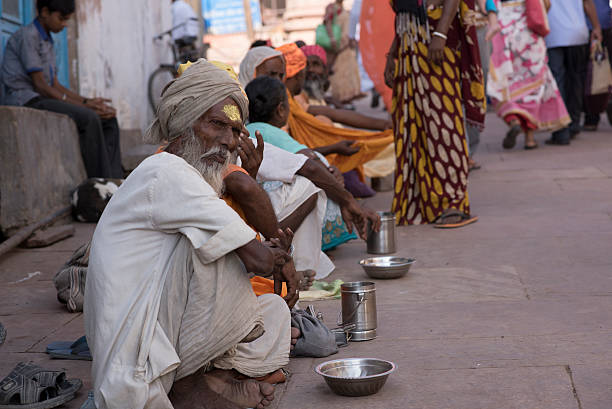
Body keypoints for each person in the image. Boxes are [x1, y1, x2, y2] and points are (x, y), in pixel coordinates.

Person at [84, 59, 300, 409]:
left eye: (235, 130)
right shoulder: (166, 172)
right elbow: (258, 259)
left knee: (273, 309)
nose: (228, 142)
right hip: (135, 358)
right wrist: (279, 258)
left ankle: (215, 377)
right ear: (184, 122)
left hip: (165, 335)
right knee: (219, 249)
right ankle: (191, 389)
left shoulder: (183, 175)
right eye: (217, 125)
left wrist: (271, 255)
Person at [245, 75, 381, 251]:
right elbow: (308, 161)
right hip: (270, 214)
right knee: (313, 182)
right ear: (281, 109)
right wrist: (347, 199)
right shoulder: (268, 131)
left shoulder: (250, 129)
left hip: (260, 211)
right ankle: (303, 242)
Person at [384, 0, 486, 227]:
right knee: (412, 125)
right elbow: (405, 11)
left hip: (437, 38)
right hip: (408, 43)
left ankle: (454, 202)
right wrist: (391, 55)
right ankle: (422, 202)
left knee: (443, 124)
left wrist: (440, 33)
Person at [0, 0, 122, 179]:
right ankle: (101, 181)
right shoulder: (28, 36)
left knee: (109, 119)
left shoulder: (48, 41)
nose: (64, 25)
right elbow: (41, 86)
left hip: (41, 97)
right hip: (26, 98)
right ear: (44, 12)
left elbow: (55, 84)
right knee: (89, 118)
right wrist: (86, 108)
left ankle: (115, 178)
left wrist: (88, 102)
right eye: (62, 19)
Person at [277, 43, 394, 186]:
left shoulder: (293, 101)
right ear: (298, 74)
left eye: (316, 64)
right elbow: (289, 154)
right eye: (307, 67)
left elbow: (335, 113)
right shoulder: (285, 104)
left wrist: (384, 125)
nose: (311, 71)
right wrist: (333, 148)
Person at [487, 0, 571, 150]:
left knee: (506, 82)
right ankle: (530, 138)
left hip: (503, 31)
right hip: (527, 31)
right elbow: (546, 5)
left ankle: (514, 120)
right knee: (533, 86)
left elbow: (486, 6)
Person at [545, 0, 602, 145]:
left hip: (553, 34)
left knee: (558, 83)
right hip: (577, 33)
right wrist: (596, 27)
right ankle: (574, 124)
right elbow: (588, 3)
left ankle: (561, 129)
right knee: (576, 81)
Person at [465, 0, 498, 168]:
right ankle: (462, 150)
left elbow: (488, 3)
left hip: (478, 27)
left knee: (477, 89)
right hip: (449, 29)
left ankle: (468, 151)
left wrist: (493, 18)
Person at [323, 0, 363, 103]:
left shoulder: (345, 9)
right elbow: (327, 22)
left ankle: (346, 101)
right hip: (337, 47)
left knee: (347, 74)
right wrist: (332, 38)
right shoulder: (331, 7)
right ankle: (339, 100)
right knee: (337, 74)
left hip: (346, 48)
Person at [583, 0, 612, 131]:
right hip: (602, 22)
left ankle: (592, 116)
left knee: (590, 73)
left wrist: (596, 26)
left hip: (591, 26)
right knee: (602, 70)